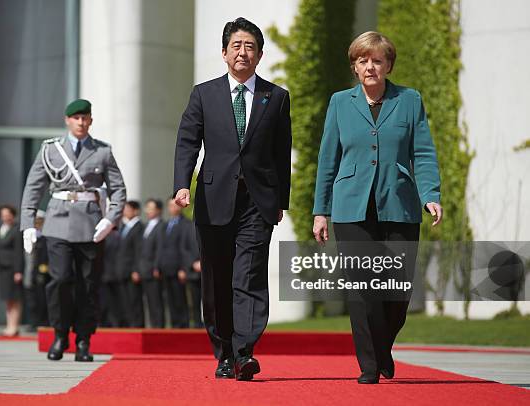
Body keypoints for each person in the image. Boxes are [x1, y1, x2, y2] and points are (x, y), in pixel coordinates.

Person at [312, 31, 442, 384]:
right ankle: (370, 365)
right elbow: (328, 159)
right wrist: (320, 211)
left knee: (397, 290)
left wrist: (430, 193)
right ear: (355, 67)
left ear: (388, 65)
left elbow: (424, 152)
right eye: (363, 60)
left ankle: (382, 347)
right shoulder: (340, 103)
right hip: (351, 208)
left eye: (377, 60)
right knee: (362, 289)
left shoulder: (410, 100)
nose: (370, 66)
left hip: (399, 202)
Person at [173, 17, 292, 380]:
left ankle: (245, 353)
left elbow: (281, 151)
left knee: (250, 275)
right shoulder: (203, 94)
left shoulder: (277, 97)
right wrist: (181, 185)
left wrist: (280, 201)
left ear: (259, 55)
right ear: (224, 53)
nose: (243, 52)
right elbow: (188, 142)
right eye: (236, 45)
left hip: (258, 202)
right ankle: (223, 351)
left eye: (250, 46)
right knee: (217, 279)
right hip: (213, 198)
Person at [20, 98, 126, 362]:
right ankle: (59, 334)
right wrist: (27, 225)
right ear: (67, 120)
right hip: (58, 222)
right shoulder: (51, 150)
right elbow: (33, 188)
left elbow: (118, 189)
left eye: (85, 118)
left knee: (88, 284)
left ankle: (83, 340)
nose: (80, 122)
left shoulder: (102, 151)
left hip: (92, 225)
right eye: (76, 118)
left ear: (90, 120)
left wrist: (111, 219)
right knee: (60, 280)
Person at [157, 199, 192, 329]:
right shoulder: (166, 225)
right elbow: (162, 247)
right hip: (166, 268)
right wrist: (158, 266)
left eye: (174, 205)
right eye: (170, 206)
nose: (172, 208)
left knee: (180, 299)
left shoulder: (186, 224)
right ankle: (174, 324)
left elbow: (184, 247)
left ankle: (183, 325)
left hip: (179, 269)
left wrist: (184, 268)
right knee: (170, 300)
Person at [0, 205, 24, 337]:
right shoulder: (1, 229)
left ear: (13, 215)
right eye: (3, 214)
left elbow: (19, 252)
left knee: (15, 299)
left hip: (13, 269)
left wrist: (18, 271)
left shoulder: (16, 229)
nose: (5, 217)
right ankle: (9, 326)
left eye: (8, 214)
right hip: (3, 268)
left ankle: (14, 326)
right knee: (8, 299)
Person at [139, 198, 165, 328]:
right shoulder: (146, 226)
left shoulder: (161, 226)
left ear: (158, 210)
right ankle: (153, 326)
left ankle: (158, 328)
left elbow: (160, 248)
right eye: (147, 208)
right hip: (144, 270)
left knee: (156, 302)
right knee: (149, 301)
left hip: (153, 270)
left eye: (151, 208)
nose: (148, 211)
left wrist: (157, 267)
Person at [118, 201, 145, 327]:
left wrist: (136, 270)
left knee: (135, 301)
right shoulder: (124, 227)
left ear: (135, 211)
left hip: (132, 271)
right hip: (123, 270)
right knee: (126, 301)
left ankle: (137, 325)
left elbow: (139, 251)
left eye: (128, 209)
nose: (125, 211)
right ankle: (129, 324)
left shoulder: (139, 227)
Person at [26, 211, 50, 331]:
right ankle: (34, 322)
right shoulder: (32, 235)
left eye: (40, 221)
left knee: (42, 298)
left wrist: (44, 267)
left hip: (42, 271)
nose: (37, 223)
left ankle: (43, 321)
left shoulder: (45, 237)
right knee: (32, 299)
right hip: (32, 271)